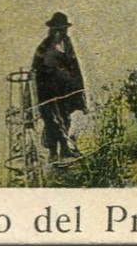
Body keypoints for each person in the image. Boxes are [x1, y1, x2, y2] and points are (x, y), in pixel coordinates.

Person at [31, 12, 86, 162]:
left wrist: (78, 87)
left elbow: (73, 65)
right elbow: (44, 70)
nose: (61, 32)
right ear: (52, 30)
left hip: (65, 91)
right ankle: (53, 153)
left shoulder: (66, 42)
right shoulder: (45, 47)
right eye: (58, 29)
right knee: (52, 122)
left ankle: (65, 150)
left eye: (63, 29)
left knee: (66, 119)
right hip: (49, 92)